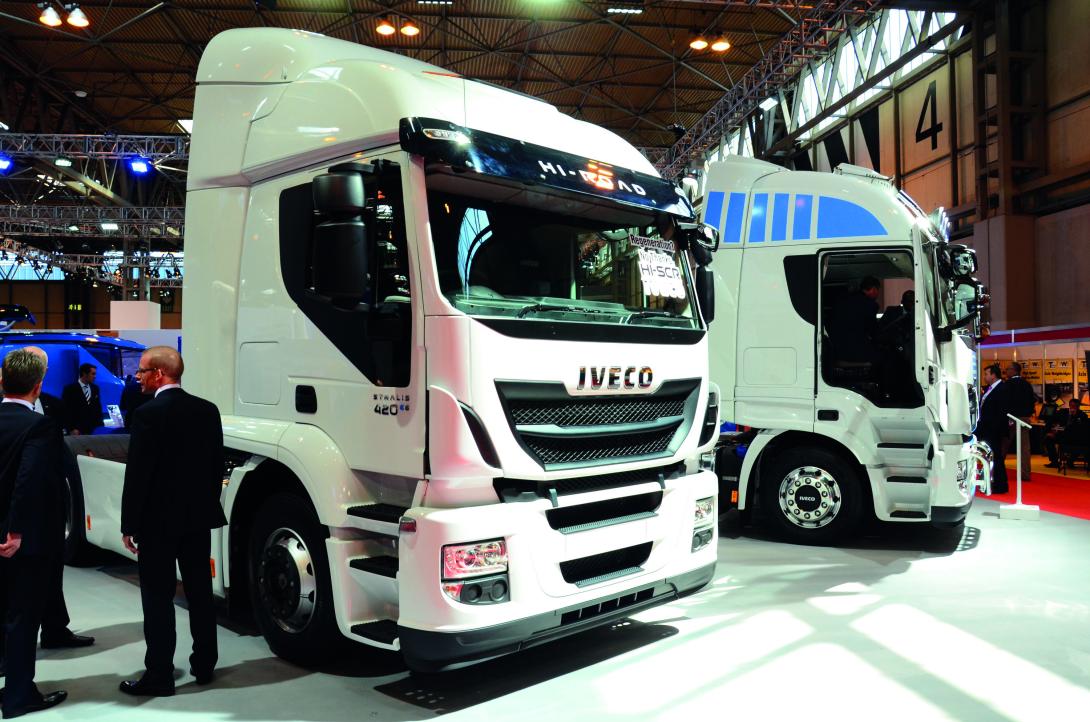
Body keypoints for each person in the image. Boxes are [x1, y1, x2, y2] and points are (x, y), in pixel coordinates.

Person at [119, 346, 225, 697]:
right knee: (200, 593)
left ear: (159, 374)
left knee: (157, 598)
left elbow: (138, 475)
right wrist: (205, 505)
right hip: (197, 520)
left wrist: (129, 525)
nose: (137, 376)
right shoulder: (207, 410)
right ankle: (205, 665)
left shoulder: (147, 414)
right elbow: (216, 466)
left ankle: (160, 675)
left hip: (157, 524)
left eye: (142, 371)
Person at [0, 348, 68, 717]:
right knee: (22, 619)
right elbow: (29, 480)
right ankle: (18, 697)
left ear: (1, 381)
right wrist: (16, 531)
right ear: (38, 387)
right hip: (20, 542)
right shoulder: (39, 426)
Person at [826, 276, 881, 365]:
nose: (878, 294)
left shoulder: (844, 299)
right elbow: (872, 330)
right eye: (878, 290)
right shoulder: (870, 304)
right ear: (874, 289)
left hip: (837, 348)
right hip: (856, 350)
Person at [978, 363, 1010, 494]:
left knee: (996, 456)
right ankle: (990, 481)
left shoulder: (1002, 388)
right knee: (989, 456)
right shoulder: (989, 389)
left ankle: (1000, 485)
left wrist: (994, 428)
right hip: (987, 428)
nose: (984, 377)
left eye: (986, 374)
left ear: (993, 375)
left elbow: (1000, 411)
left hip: (995, 429)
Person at [1004, 362, 1036, 480]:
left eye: (1008, 369)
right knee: (1025, 448)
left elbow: (1005, 402)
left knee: (1003, 445)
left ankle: (998, 471)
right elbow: (1032, 401)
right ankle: (1025, 474)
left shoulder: (1008, 384)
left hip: (1011, 418)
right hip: (1025, 418)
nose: (1006, 371)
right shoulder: (1027, 384)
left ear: (1014, 370)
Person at [61, 364, 103, 436]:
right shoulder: (70, 389)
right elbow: (66, 410)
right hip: (77, 431)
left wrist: (100, 426)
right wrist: (71, 428)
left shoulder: (95, 388)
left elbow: (98, 408)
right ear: (84, 374)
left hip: (93, 430)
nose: (95, 376)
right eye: (93, 374)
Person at [1045, 398, 1088, 468]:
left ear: (1078, 407)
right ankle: (1054, 461)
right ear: (1069, 405)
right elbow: (1050, 420)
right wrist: (1049, 432)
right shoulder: (1062, 412)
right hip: (1062, 435)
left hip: (1075, 437)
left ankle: (1070, 460)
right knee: (1048, 439)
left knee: (1082, 443)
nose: (1073, 408)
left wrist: (1074, 416)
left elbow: (1083, 428)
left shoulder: (1082, 415)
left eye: (1075, 406)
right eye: (1072, 406)